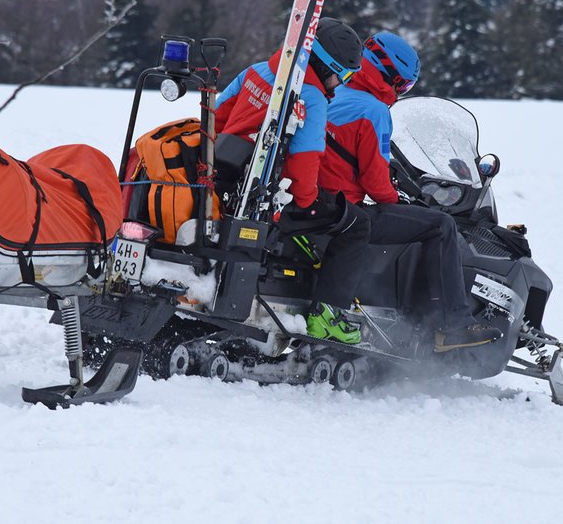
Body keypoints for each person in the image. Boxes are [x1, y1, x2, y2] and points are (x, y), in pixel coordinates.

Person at [318, 31, 502, 352]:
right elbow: (376, 183)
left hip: (315, 197)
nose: (400, 93)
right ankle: (453, 325)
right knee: (438, 225)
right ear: (390, 77)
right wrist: (396, 198)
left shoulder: (334, 92)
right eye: (403, 86)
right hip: (343, 208)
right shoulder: (373, 110)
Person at [215, 17, 370, 344]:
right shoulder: (310, 97)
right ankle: (327, 316)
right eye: (341, 74)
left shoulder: (257, 70)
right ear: (322, 64)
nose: (339, 84)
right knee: (356, 225)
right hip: (270, 200)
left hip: (227, 185)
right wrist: (311, 203)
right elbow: (302, 175)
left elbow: (217, 119)